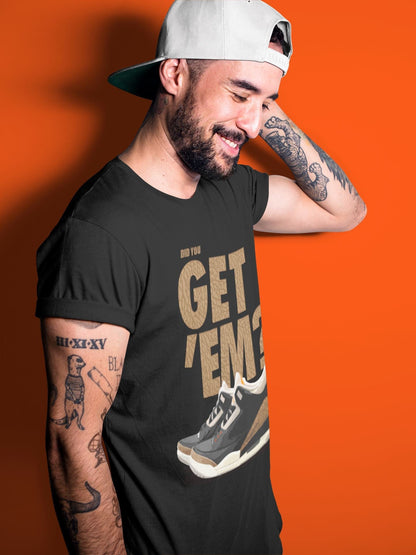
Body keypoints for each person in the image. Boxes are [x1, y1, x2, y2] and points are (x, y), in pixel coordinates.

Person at [36, 0, 366, 553]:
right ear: (174, 74)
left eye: (267, 102)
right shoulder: (100, 232)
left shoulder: (230, 189)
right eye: (238, 94)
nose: (253, 125)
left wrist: (258, 104)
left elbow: (346, 211)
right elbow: (74, 445)